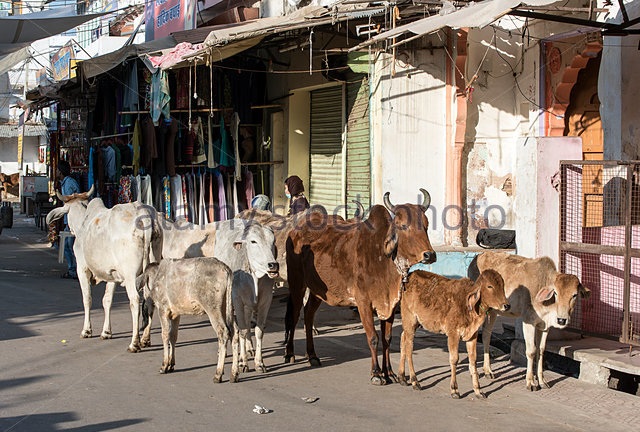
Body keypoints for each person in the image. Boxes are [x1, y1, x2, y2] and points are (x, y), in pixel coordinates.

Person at [58, 160, 80, 279]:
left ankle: (76, 270)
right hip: (69, 219)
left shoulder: (70, 183)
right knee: (67, 245)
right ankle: (73, 269)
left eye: (57, 170)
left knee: (71, 246)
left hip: (74, 220)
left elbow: (74, 201)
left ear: (60, 172)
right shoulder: (64, 183)